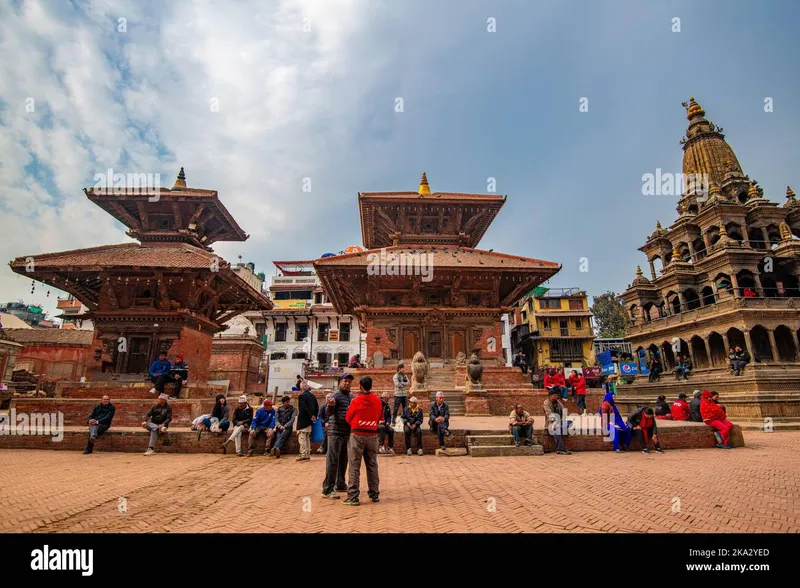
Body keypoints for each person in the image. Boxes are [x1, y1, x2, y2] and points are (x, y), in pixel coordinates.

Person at [342, 376, 382, 506]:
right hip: (372, 435)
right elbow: (380, 417)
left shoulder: (356, 401)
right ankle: (374, 493)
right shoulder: (377, 400)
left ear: (360, 386)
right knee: (372, 465)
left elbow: (348, 418)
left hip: (357, 434)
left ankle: (353, 496)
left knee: (354, 466)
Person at [321, 373, 354, 499]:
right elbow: (328, 413)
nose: (347, 383)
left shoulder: (350, 397)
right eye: (345, 381)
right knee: (333, 460)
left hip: (346, 432)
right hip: (335, 432)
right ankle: (327, 488)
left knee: (343, 459)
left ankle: (340, 483)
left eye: (349, 382)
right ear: (340, 382)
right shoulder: (335, 396)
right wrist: (331, 405)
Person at [296, 381, 319, 461]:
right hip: (310, 420)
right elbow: (317, 407)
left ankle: (303, 454)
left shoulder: (302, 396)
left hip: (303, 420)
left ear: (301, 387)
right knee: (307, 438)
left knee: (302, 438)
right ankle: (307, 453)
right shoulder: (312, 396)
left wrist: (310, 416)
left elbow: (303, 408)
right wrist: (314, 416)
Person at [543, 390, 571, 455]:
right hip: (551, 423)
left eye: (557, 395)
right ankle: (560, 449)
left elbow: (564, 411)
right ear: (550, 396)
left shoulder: (558, 402)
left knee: (570, 422)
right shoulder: (546, 403)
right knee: (557, 430)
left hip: (560, 423)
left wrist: (562, 420)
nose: (556, 397)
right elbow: (549, 414)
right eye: (555, 395)